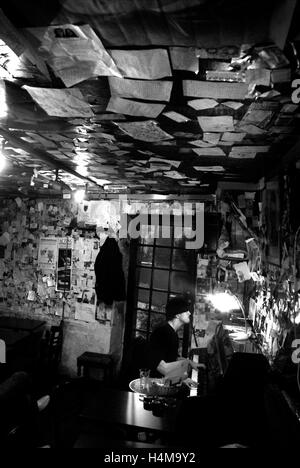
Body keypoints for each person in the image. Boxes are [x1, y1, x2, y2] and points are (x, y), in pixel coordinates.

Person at [146, 296, 204, 385]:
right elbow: (161, 366)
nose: (189, 313)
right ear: (177, 315)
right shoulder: (162, 332)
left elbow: (172, 357)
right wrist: (182, 379)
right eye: (185, 311)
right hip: (155, 383)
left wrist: (190, 362)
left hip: (164, 380)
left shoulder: (171, 332)